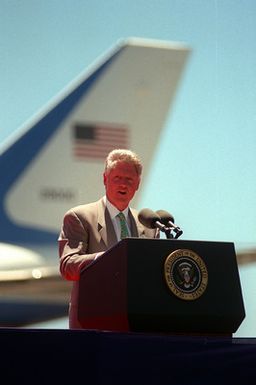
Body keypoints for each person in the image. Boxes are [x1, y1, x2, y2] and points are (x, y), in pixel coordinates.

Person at [58, 148, 158, 329]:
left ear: (138, 184)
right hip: (92, 325)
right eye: (117, 178)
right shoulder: (79, 217)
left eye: (129, 180)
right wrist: (106, 259)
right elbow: (68, 265)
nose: (123, 185)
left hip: (138, 326)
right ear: (105, 179)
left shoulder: (149, 226)